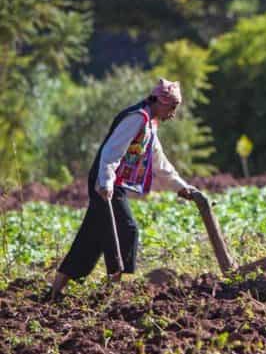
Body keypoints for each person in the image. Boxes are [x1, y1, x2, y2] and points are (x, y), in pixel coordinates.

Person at [49, 78, 199, 300]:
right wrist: (106, 182)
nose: (173, 113)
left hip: (110, 182)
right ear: (160, 101)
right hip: (105, 182)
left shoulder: (149, 123)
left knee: (91, 237)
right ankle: (112, 292)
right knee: (126, 229)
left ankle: (55, 291)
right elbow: (111, 151)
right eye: (173, 107)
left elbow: (159, 161)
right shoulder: (136, 118)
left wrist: (181, 187)